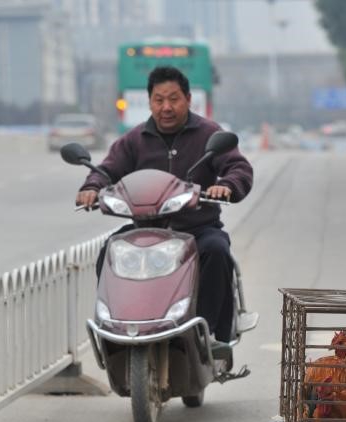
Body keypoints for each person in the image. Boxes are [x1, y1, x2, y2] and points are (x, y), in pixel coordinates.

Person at [75, 66, 253, 345]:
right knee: (110, 251)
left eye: (173, 99)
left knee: (217, 251)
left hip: (197, 229)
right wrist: (91, 187)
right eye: (159, 100)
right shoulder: (134, 140)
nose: (166, 107)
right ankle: (113, 330)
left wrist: (227, 186)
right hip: (144, 231)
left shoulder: (209, 134)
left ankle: (210, 334)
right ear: (150, 102)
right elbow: (107, 170)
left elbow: (238, 167)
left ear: (188, 99)